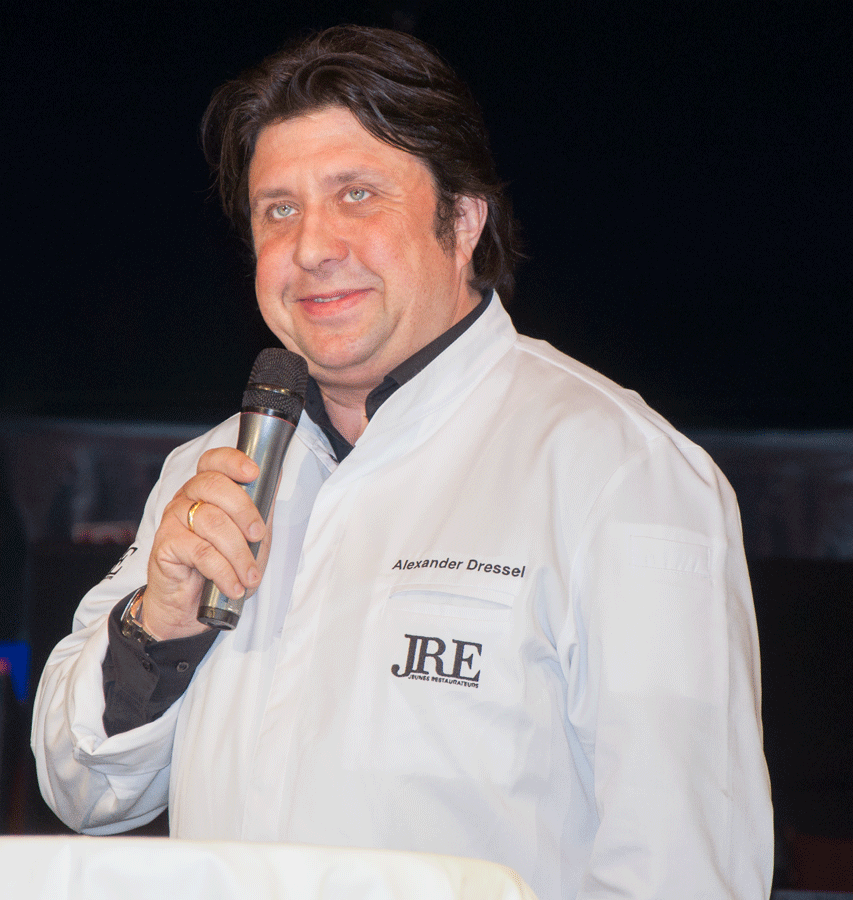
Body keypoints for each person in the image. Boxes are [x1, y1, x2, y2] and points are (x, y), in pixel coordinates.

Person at [32, 25, 773, 900]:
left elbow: (683, 864)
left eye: (356, 195)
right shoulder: (213, 471)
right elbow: (84, 792)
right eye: (279, 210)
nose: (312, 247)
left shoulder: (619, 470)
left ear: (461, 222)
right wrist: (157, 627)